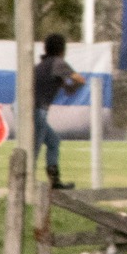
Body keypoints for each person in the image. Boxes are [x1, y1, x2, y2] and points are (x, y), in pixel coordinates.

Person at [33, 33, 85, 191]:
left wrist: (70, 83)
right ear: (62, 49)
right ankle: (26, 184)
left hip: (29, 108)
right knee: (34, 148)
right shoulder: (58, 62)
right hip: (36, 109)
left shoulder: (45, 64)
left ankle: (54, 181)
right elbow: (79, 79)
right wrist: (75, 83)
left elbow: (68, 88)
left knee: (53, 142)